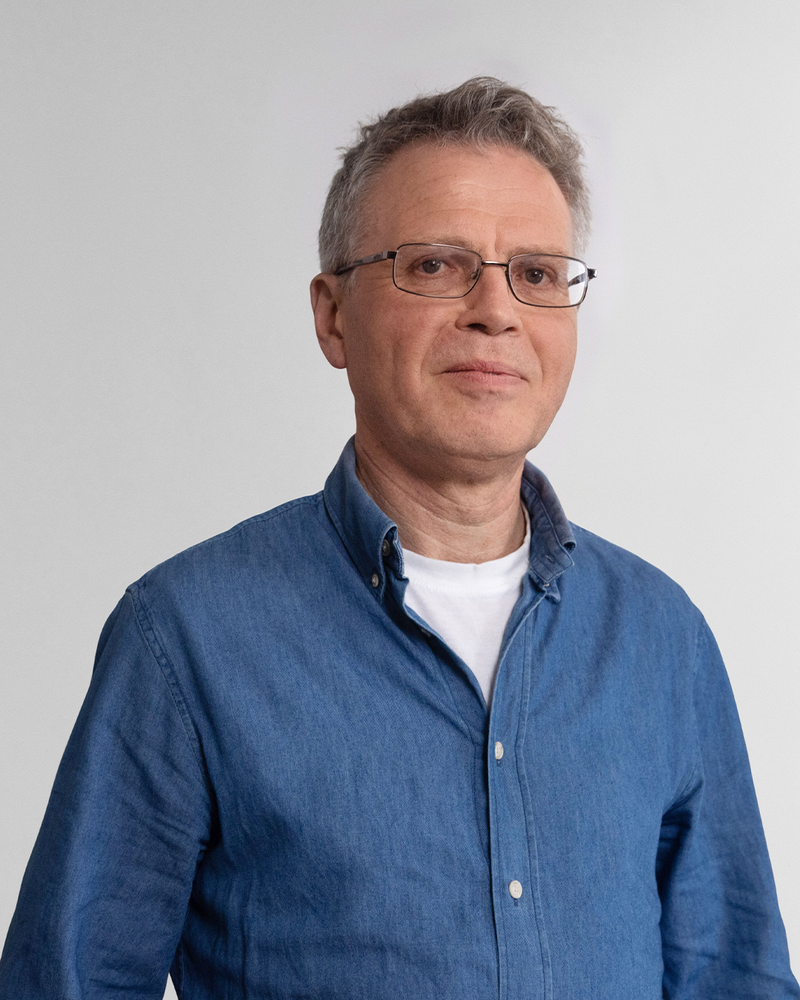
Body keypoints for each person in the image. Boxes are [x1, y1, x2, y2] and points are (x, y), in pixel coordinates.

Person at [0, 77, 796, 1000]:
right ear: (332, 315)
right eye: (434, 265)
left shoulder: (662, 638)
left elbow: (737, 982)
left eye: (535, 274)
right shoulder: (185, 637)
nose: (495, 311)